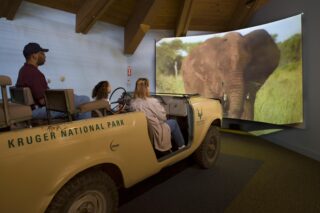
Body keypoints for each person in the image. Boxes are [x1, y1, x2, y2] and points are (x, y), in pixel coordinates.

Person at [16, 42, 91, 120]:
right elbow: (43, 101)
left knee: (73, 99)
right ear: (34, 56)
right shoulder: (33, 73)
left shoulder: (23, 70)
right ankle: (85, 128)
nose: (45, 56)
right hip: (39, 110)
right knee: (84, 99)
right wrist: (64, 98)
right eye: (42, 53)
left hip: (31, 109)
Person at [130, 78, 185, 152]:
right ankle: (182, 147)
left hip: (145, 130)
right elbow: (163, 118)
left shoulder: (133, 103)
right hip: (156, 130)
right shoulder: (152, 102)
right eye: (148, 86)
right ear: (146, 88)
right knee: (174, 122)